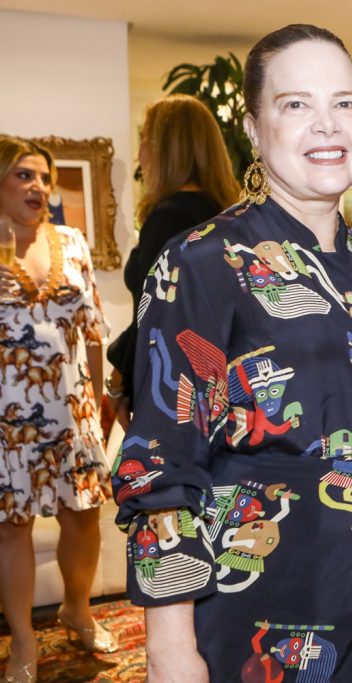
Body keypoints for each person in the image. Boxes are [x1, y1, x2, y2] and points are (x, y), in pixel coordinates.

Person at [112, 25, 352, 683]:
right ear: (255, 127)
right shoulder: (203, 262)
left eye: (344, 102)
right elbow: (160, 466)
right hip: (266, 603)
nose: (327, 124)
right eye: (296, 104)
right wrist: (170, 652)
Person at [0, 136, 116, 683]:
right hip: (6, 420)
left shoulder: (72, 241)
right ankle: (23, 638)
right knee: (10, 527)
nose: (39, 187)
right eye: (25, 176)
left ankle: (77, 609)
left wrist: (96, 401)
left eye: (43, 177)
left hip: (71, 409)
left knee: (84, 516)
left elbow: (93, 327)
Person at [105, 94, 240, 427]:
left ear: (166, 149)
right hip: (222, 388)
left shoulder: (169, 218)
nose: (140, 154)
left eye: (145, 140)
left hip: (173, 393)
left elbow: (152, 316)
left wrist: (118, 382)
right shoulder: (229, 217)